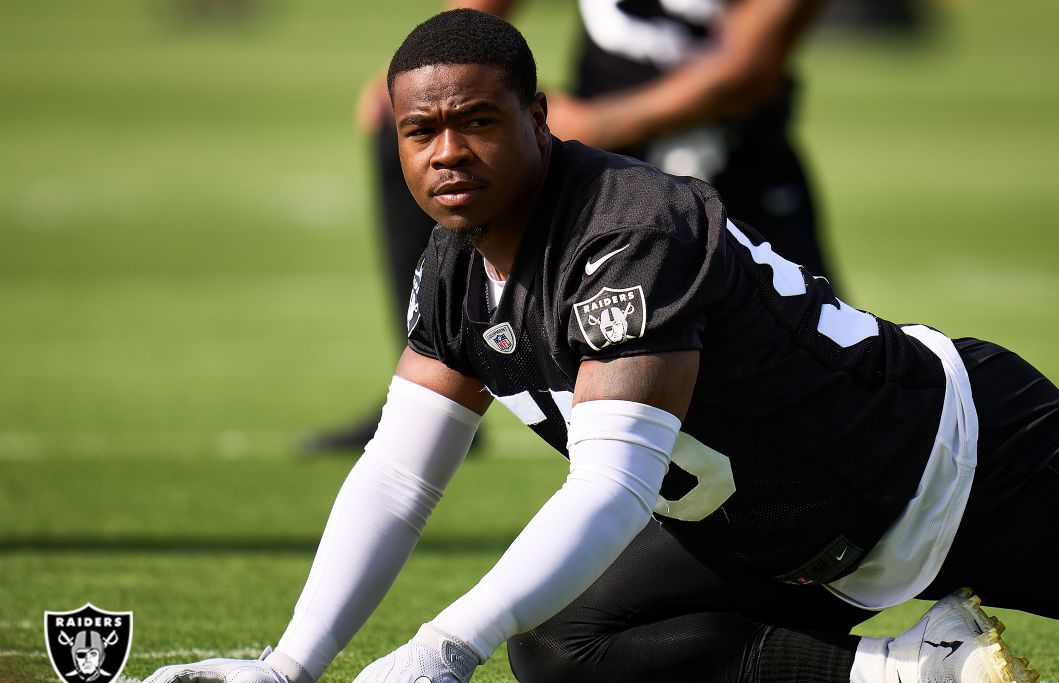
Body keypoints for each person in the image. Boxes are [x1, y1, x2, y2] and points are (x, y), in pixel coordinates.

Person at [128, 10, 1059, 683]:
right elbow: (398, 473)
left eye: (475, 121)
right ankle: (909, 672)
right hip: (786, 538)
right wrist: (291, 659)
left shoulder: (625, 221)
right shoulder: (449, 263)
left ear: (540, 114)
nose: (445, 153)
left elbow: (615, 481)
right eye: (420, 132)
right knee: (566, 643)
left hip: (956, 473)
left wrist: (443, 643)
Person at [304, 0, 837, 453]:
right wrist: (434, 79)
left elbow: (747, 69)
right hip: (592, 167)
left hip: (732, 169)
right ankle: (439, 384)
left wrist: (597, 123)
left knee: (816, 393)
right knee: (411, 134)